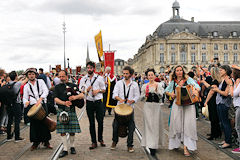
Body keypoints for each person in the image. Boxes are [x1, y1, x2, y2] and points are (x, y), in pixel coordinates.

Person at [165, 65, 200, 157]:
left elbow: (197, 87)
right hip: (177, 105)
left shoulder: (188, 79)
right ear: (175, 72)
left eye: (181, 70)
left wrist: (194, 90)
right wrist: (171, 94)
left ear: (183, 71)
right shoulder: (173, 81)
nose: (179, 72)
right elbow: (167, 91)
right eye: (177, 70)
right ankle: (175, 143)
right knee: (177, 124)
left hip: (189, 105)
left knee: (188, 125)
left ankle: (186, 147)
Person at [54, 70, 84, 158]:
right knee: (62, 131)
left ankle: (72, 146)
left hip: (71, 110)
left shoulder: (73, 85)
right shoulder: (57, 87)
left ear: (67, 76)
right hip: (61, 110)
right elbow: (55, 99)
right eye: (59, 77)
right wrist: (64, 103)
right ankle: (65, 149)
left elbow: (82, 95)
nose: (61, 78)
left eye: (63, 76)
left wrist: (75, 97)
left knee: (72, 131)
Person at [111, 66, 140, 153]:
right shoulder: (119, 83)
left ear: (130, 74)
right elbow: (114, 94)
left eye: (126, 73)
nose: (125, 75)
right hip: (119, 109)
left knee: (131, 127)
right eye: (124, 73)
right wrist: (119, 99)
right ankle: (114, 142)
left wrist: (133, 100)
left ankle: (130, 145)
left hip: (130, 109)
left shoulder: (134, 84)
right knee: (115, 126)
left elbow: (137, 95)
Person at [22, 68, 52, 151]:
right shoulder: (26, 86)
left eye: (32, 74)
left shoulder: (41, 81)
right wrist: (26, 102)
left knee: (44, 123)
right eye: (29, 74)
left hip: (42, 104)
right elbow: (24, 97)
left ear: (35, 75)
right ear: (27, 76)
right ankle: (35, 142)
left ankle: (46, 142)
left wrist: (41, 98)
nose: (31, 75)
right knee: (34, 125)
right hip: (32, 106)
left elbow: (46, 91)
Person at [79, 61, 106, 150]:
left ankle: (100, 139)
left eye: (91, 68)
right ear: (86, 68)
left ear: (94, 68)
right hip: (89, 102)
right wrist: (87, 89)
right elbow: (81, 91)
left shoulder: (99, 78)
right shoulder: (83, 79)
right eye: (88, 68)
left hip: (98, 102)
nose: (89, 69)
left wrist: (97, 91)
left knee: (100, 122)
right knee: (91, 123)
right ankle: (93, 141)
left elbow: (104, 89)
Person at [140, 68, 164, 156]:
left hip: (157, 106)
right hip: (148, 106)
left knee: (156, 125)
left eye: (152, 75)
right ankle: (150, 145)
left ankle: (155, 144)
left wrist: (157, 91)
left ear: (154, 75)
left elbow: (162, 96)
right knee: (149, 125)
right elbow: (141, 98)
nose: (150, 76)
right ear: (147, 76)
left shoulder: (159, 85)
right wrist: (145, 95)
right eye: (149, 75)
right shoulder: (144, 86)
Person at [211, 65, 232, 149]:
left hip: (224, 104)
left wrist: (217, 90)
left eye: (221, 70)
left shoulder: (228, 80)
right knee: (222, 123)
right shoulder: (222, 80)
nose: (219, 72)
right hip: (219, 103)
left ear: (226, 71)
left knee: (225, 123)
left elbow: (226, 93)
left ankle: (228, 141)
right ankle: (226, 139)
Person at [6, 71, 28, 142]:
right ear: (16, 76)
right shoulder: (18, 84)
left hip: (9, 104)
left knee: (10, 120)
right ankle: (17, 137)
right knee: (17, 121)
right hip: (16, 104)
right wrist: (26, 74)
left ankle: (9, 136)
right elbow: (26, 80)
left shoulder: (7, 83)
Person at [202, 67, 222, 140]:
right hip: (215, 100)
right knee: (214, 117)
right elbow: (211, 88)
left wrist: (206, 101)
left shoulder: (215, 81)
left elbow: (211, 91)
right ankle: (216, 132)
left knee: (213, 117)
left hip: (212, 100)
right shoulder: (217, 80)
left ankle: (214, 134)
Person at [227, 65, 240, 153]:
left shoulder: (237, 83)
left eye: (232, 72)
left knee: (238, 127)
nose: (231, 74)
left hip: (239, 106)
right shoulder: (236, 82)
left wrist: (231, 85)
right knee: (237, 126)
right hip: (237, 105)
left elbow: (233, 94)